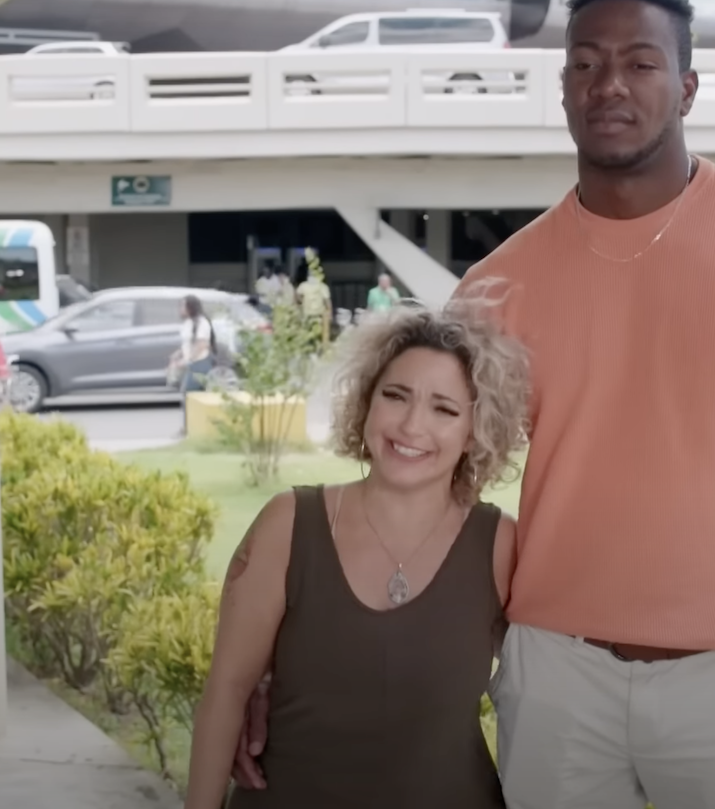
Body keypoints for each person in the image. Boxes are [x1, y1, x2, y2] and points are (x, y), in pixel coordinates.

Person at [234, 0, 715, 809]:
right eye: (584, 64)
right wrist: (287, 660)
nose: (609, 84)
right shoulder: (498, 286)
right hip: (554, 675)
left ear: (687, 86)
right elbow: (420, 491)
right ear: (562, 89)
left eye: (640, 62)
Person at [184, 299, 531, 809]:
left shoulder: (500, 546)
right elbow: (226, 694)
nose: (412, 426)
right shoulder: (289, 523)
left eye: (444, 408)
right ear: (367, 401)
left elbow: (551, 696)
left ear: (475, 431)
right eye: (396, 396)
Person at [171, 294, 216, 436]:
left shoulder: (202, 323)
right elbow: (187, 343)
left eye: (183, 306)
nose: (181, 309)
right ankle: (199, 428)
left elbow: (202, 345)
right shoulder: (188, 323)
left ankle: (187, 428)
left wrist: (187, 360)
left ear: (191, 307)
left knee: (188, 394)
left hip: (200, 363)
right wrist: (178, 353)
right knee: (197, 396)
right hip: (191, 362)